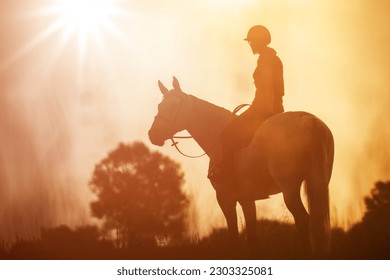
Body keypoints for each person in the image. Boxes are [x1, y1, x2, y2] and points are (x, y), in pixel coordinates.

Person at [208, 25, 285, 182]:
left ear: (259, 41)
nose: (251, 45)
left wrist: (265, 111)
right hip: (276, 108)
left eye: (252, 42)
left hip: (263, 110)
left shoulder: (265, 60)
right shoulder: (274, 58)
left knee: (226, 136)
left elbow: (268, 86)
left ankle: (228, 177)